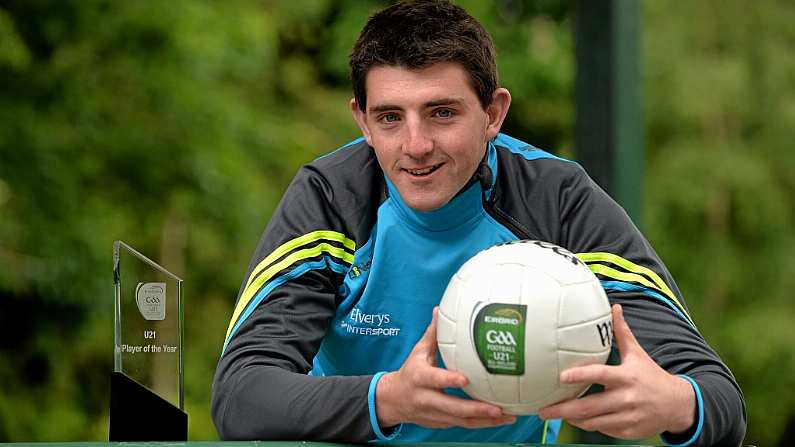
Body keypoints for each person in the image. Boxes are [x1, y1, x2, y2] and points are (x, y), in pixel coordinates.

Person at [211, 1, 746, 445]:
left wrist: (677, 404)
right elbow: (241, 394)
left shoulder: (557, 202)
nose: (415, 146)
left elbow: (720, 400)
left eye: (442, 112)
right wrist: (389, 398)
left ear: (493, 113)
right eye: (390, 118)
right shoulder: (331, 199)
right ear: (362, 120)